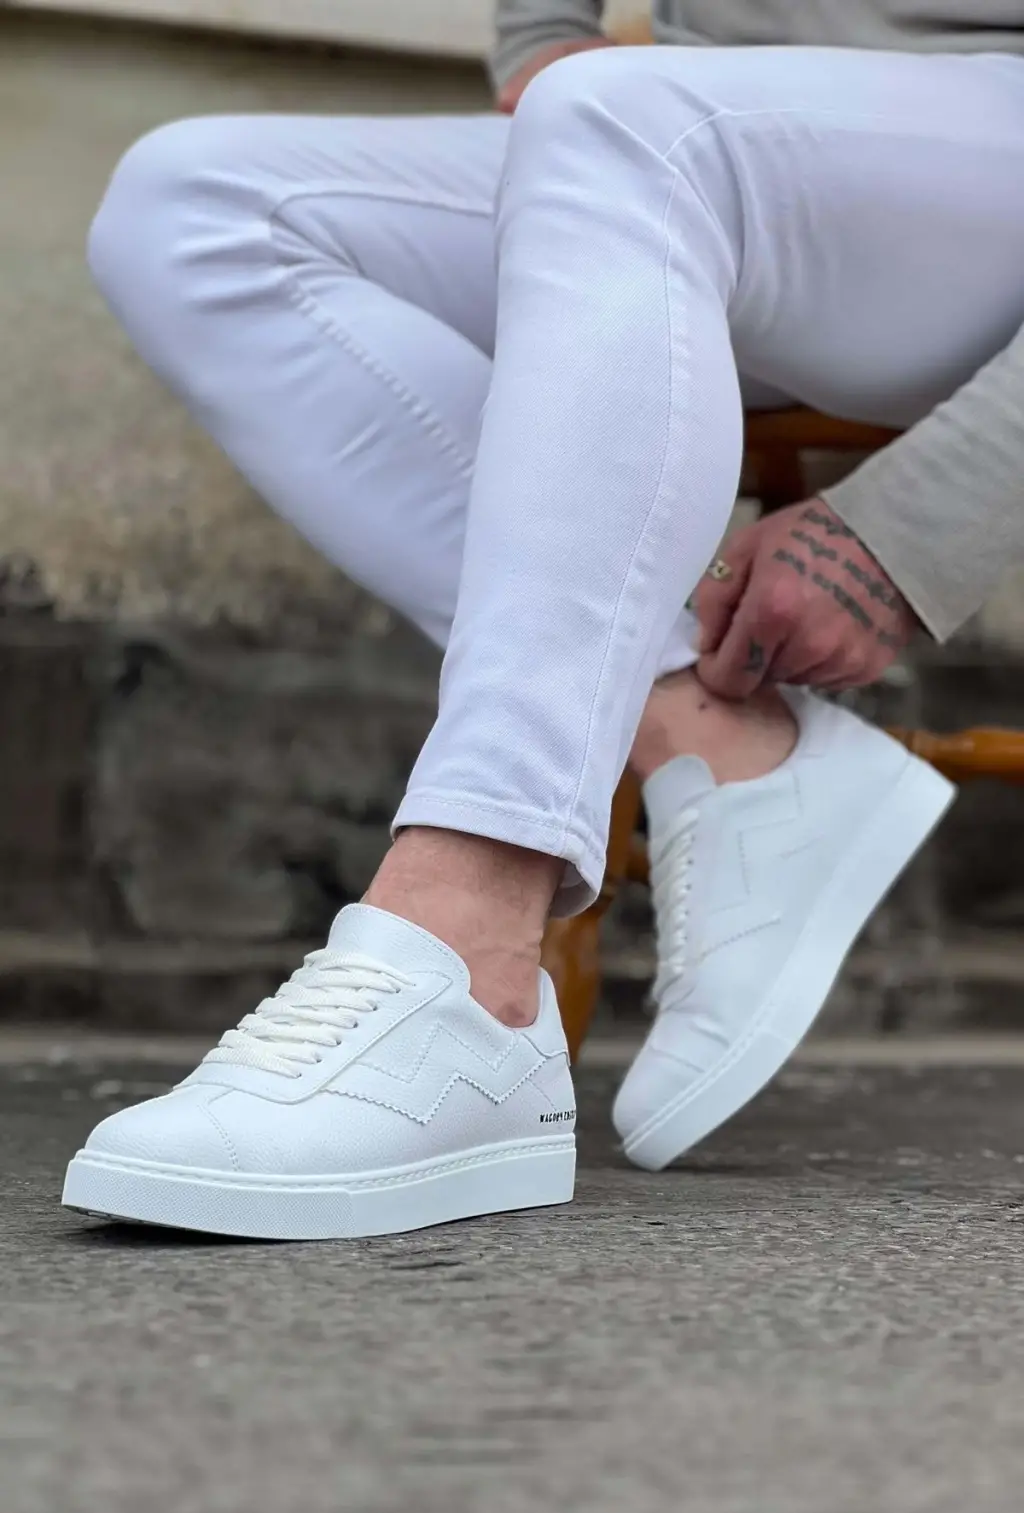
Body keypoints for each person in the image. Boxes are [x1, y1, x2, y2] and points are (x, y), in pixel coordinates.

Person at [62, 4, 1024, 1238]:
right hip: (699, 134)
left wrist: (914, 530)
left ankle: (469, 944)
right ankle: (718, 742)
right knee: (191, 206)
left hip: (958, 169)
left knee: (627, 122)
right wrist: (543, 32)